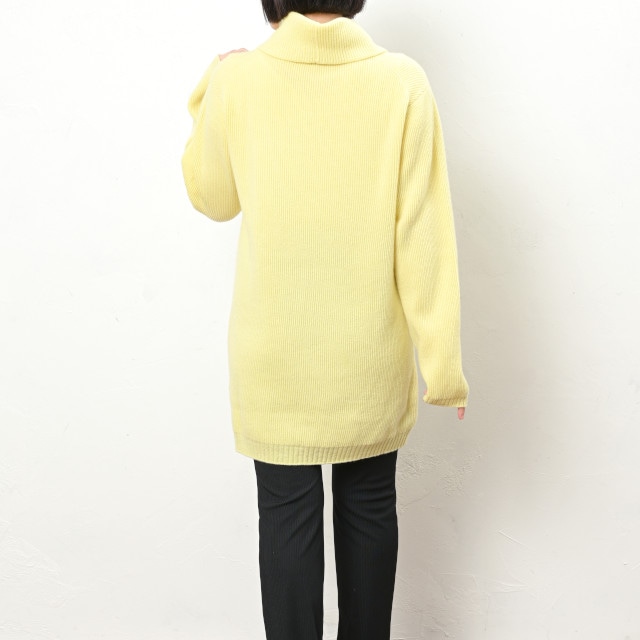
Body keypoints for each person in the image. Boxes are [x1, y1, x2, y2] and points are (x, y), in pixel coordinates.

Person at [181, 1, 470, 638]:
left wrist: (211, 86)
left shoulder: (240, 79)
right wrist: (443, 365)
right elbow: (422, 233)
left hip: (273, 355)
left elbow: (213, 197)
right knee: (369, 506)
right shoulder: (401, 81)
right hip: (368, 356)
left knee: (285, 515)